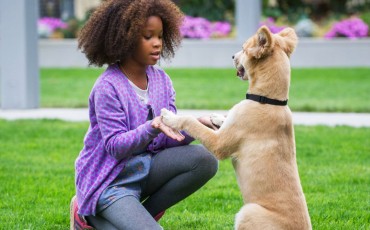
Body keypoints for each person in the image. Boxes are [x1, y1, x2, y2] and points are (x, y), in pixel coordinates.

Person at [69, 0, 219, 229]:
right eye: (148, 37)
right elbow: (115, 147)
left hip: (145, 169)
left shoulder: (162, 81)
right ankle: (84, 215)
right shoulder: (107, 87)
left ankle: (140, 216)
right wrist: (151, 126)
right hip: (109, 182)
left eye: (160, 36)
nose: (157, 43)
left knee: (205, 160)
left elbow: (168, 139)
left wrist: (198, 125)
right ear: (125, 38)